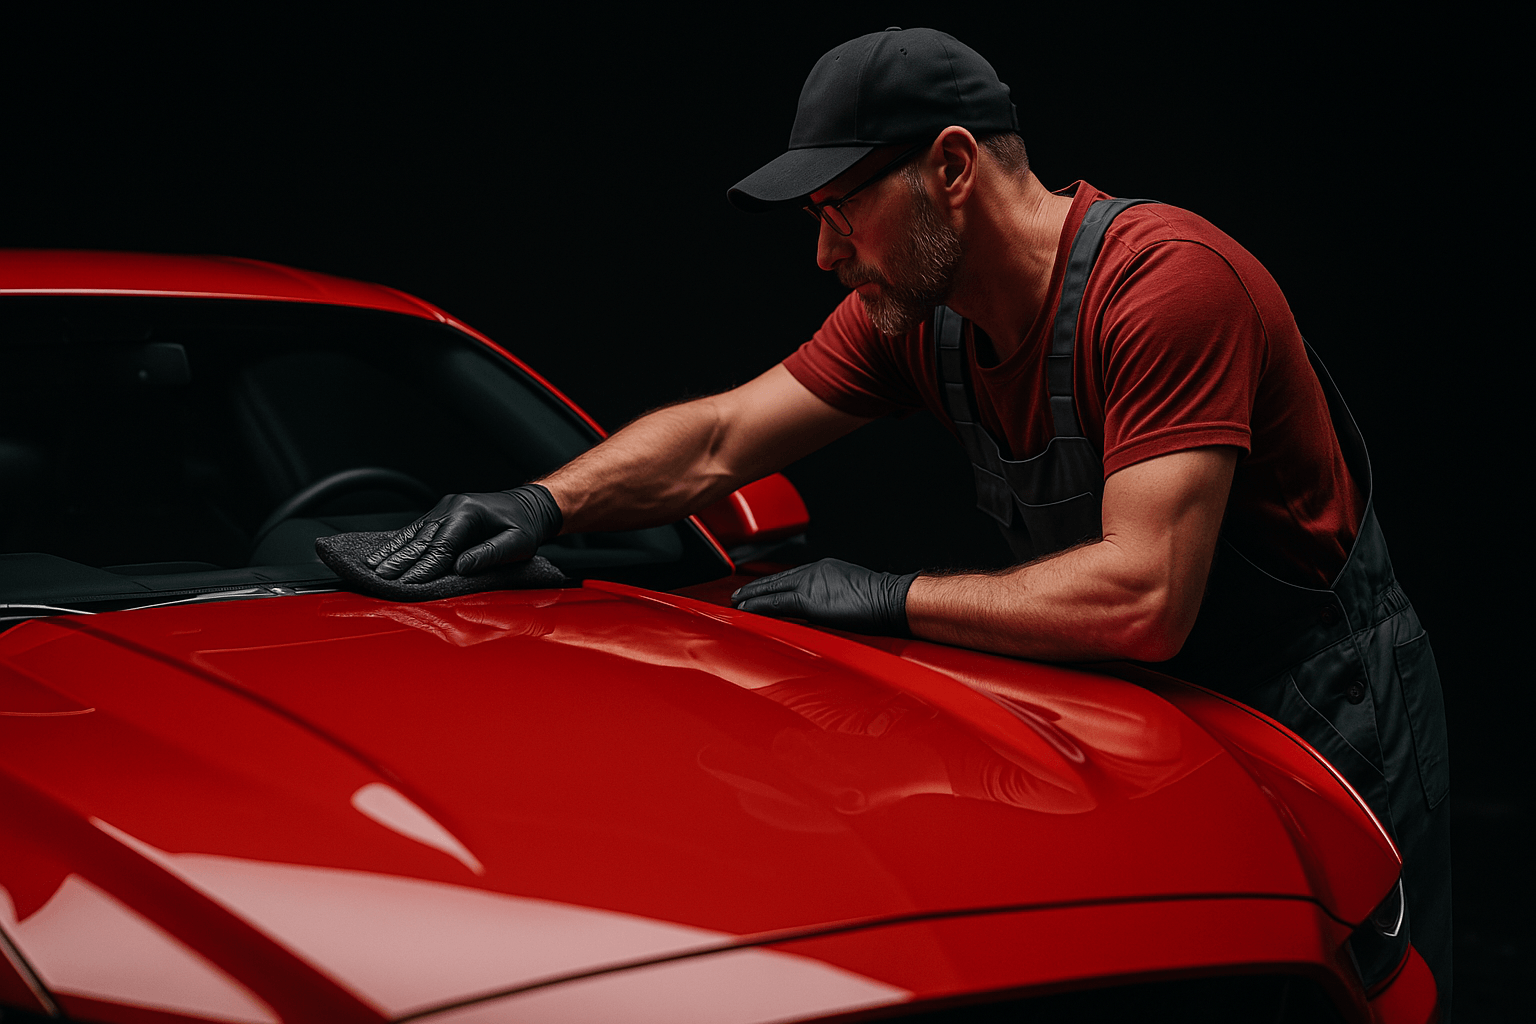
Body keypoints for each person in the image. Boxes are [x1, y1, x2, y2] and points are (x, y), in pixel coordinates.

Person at [362, 27, 1451, 1014]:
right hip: (1144, 714)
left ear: (952, 168)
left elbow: (1143, 596)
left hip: (1316, 705)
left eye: (839, 210)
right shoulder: (921, 319)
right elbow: (720, 438)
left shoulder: (1166, 289)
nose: (825, 254)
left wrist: (892, 597)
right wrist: (541, 504)